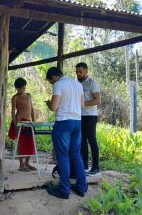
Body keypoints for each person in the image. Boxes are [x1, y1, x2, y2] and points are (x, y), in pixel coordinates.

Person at [45, 67, 87, 199]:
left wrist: (48, 103)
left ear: (54, 77)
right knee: (76, 155)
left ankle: (64, 190)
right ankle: (81, 187)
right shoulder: (78, 84)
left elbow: (54, 107)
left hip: (63, 122)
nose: (52, 84)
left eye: (51, 81)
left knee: (62, 156)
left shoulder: (59, 84)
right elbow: (82, 105)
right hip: (77, 122)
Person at [75, 62, 102, 177]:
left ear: (86, 71)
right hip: (78, 116)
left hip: (90, 116)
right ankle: (84, 166)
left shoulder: (92, 83)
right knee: (82, 141)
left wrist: (83, 104)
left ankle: (95, 167)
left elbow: (97, 100)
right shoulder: (75, 83)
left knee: (92, 140)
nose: (78, 74)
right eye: (76, 72)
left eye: (80, 72)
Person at [9, 78, 36, 172]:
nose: (21, 90)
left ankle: (27, 163)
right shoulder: (15, 97)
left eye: (23, 88)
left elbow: (32, 109)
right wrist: (15, 124)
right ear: (16, 88)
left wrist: (34, 121)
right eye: (19, 89)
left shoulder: (28, 96)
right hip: (20, 122)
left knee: (31, 143)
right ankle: (21, 165)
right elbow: (13, 112)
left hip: (29, 122)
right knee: (20, 143)